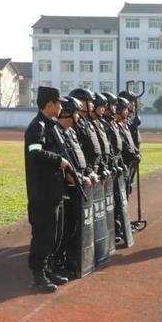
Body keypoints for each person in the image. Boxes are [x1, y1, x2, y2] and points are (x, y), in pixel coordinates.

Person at [24, 86, 71, 293]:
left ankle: (49, 269)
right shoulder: (37, 127)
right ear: (50, 104)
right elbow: (35, 153)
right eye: (59, 102)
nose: (61, 106)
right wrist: (58, 160)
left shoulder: (51, 126)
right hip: (42, 193)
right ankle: (38, 276)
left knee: (55, 235)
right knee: (43, 235)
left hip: (54, 190)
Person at [55, 96, 92, 277]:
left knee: (74, 226)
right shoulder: (55, 133)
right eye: (77, 113)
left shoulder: (70, 132)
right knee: (65, 228)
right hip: (64, 190)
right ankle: (62, 261)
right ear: (68, 113)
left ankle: (70, 258)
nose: (79, 117)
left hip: (77, 185)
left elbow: (79, 158)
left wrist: (85, 174)